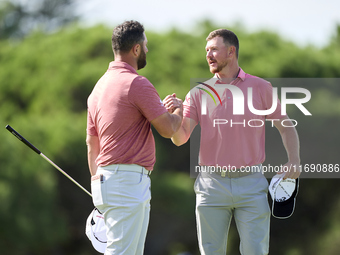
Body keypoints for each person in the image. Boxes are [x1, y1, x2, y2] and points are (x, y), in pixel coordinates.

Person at [168, 29, 301, 255]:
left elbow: (286, 126)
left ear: (231, 51)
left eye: (214, 49)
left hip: (251, 183)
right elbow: (180, 138)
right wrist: (176, 114)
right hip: (211, 186)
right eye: (206, 50)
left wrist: (294, 160)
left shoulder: (260, 88)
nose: (208, 55)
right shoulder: (198, 93)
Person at [86, 20, 183, 255]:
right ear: (136, 49)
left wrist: (98, 183)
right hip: (126, 182)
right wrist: (179, 110)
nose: (147, 50)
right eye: (145, 45)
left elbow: (92, 144)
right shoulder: (136, 83)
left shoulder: (98, 88)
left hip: (106, 181)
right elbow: (169, 130)